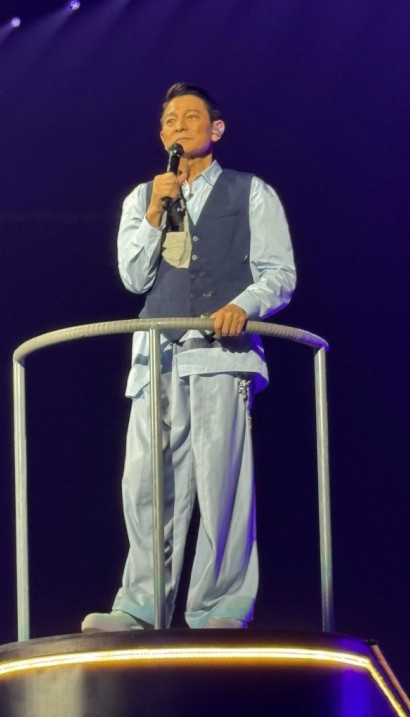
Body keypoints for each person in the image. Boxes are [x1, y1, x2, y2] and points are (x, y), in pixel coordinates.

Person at [82, 83, 296, 632]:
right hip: (157, 355)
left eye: (191, 116)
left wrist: (244, 305)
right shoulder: (144, 197)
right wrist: (156, 212)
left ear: (215, 129)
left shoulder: (250, 192)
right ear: (162, 136)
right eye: (170, 120)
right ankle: (140, 607)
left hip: (219, 354)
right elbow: (135, 278)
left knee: (222, 482)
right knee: (146, 485)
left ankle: (219, 607)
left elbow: (279, 273)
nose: (178, 125)